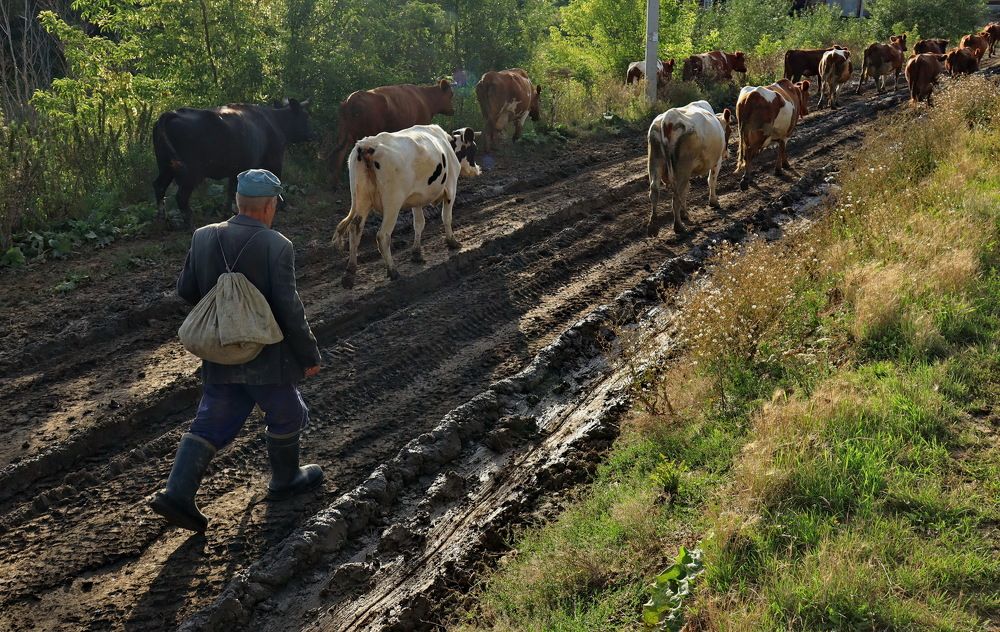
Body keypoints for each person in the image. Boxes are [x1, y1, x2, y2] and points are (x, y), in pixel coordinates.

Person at [150, 169, 323, 533]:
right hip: (266, 360)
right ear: (269, 205)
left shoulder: (203, 237)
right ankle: (285, 479)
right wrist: (309, 355)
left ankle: (176, 493)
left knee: (212, 418)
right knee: (288, 412)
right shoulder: (278, 245)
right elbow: (289, 309)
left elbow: (186, 290)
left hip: (219, 352)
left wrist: (224, 314)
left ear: (237, 203)